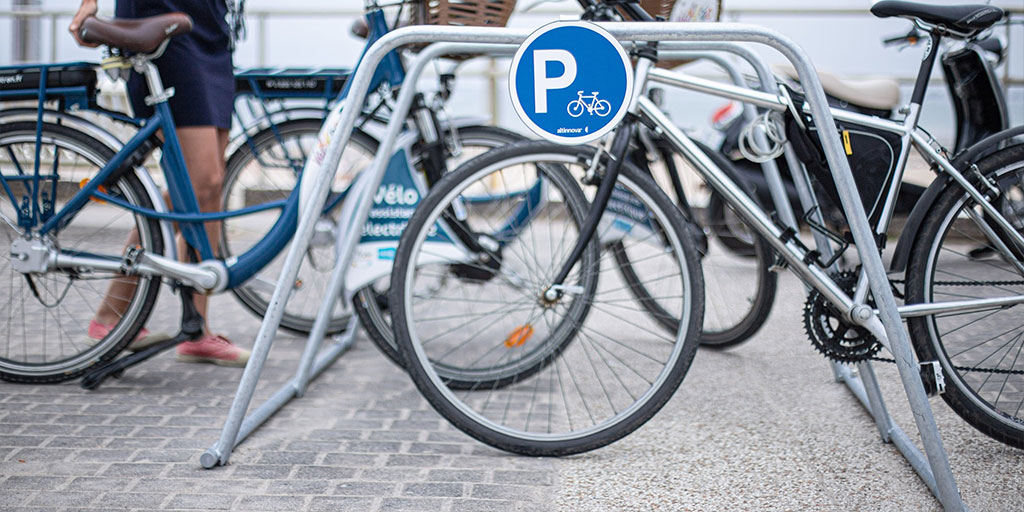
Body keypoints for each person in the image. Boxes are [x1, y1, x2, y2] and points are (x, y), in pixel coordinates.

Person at [69, 0, 251, 366]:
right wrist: (89, 4)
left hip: (210, 24)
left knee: (207, 190)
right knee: (202, 183)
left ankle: (194, 326)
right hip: (166, 22)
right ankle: (114, 313)